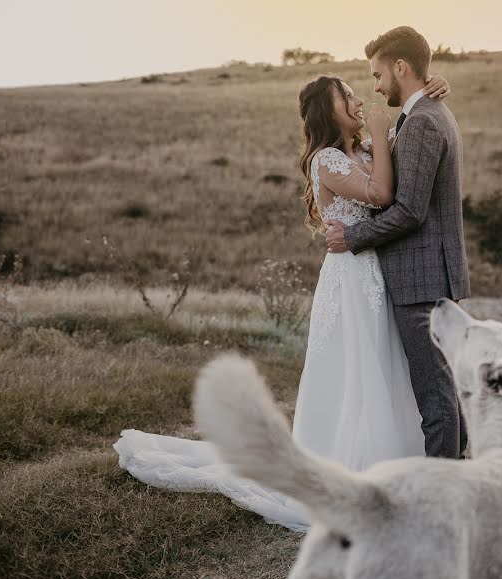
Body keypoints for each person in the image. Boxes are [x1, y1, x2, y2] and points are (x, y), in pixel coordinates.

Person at [113, 68, 454, 532]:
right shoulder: (327, 161)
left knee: (383, 364)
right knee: (355, 367)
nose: (359, 98)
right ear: (326, 112)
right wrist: (378, 132)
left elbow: (402, 153)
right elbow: (381, 193)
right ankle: (349, 465)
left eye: (358, 92)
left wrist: (428, 93)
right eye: (348, 96)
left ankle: (400, 461)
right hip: (351, 277)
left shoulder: (367, 148)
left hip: (375, 270)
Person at [326, 26, 471, 459]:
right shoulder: (425, 113)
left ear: (401, 67)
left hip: (421, 277)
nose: (375, 86)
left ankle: (440, 493)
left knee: (434, 393)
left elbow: (410, 211)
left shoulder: (424, 121)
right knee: (441, 385)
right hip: (428, 274)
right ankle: (457, 476)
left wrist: (352, 236)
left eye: (377, 75)